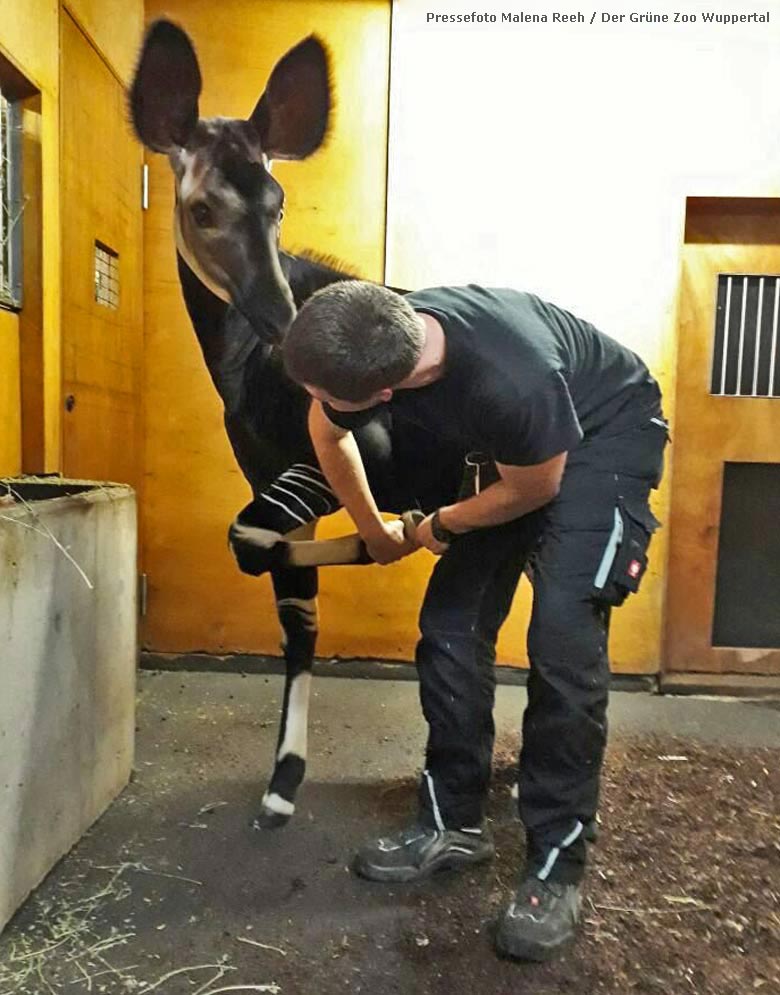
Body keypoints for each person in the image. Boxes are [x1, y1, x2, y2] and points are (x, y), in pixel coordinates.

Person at [281, 281, 668, 962]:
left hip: (604, 433)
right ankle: (453, 819)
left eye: (327, 393)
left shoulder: (507, 379)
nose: (318, 402)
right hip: (525, 447)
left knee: (561, 637)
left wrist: (434, 525)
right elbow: (327, 431)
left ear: (386, 395)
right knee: (451, 624)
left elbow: (534, 487)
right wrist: (374, 530)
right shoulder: (376, 328)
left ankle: (556, 859)